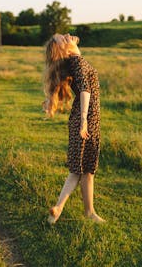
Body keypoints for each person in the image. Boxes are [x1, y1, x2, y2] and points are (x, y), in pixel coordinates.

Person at [43, 33, 105, 224]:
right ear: (64, 49)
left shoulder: (76, 60)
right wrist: (84, 120)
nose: (66, 35)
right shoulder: (76, 62)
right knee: (80, 168)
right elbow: (85, 90)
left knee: (85, 168)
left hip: (84, 118)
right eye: (62, 38)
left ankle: (87, 212)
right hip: (86, 119)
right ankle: (62, 208)